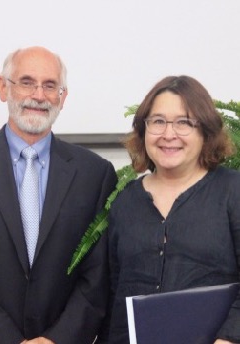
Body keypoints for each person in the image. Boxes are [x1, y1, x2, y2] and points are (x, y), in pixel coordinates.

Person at [0, 46, 117, 344]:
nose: (38, 95)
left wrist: (56, 339)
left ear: (63, 97)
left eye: (50, 86)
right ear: (2, 87)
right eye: (26, 82)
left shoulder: (95, 174)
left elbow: (97, 275)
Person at [99, 75, 240, 344]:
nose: (168, 134)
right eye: (158, 121)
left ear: (205, 131)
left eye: (184, 122)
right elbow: (115, 297)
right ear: (143, 129)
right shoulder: (125, 202)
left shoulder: (233, 192)